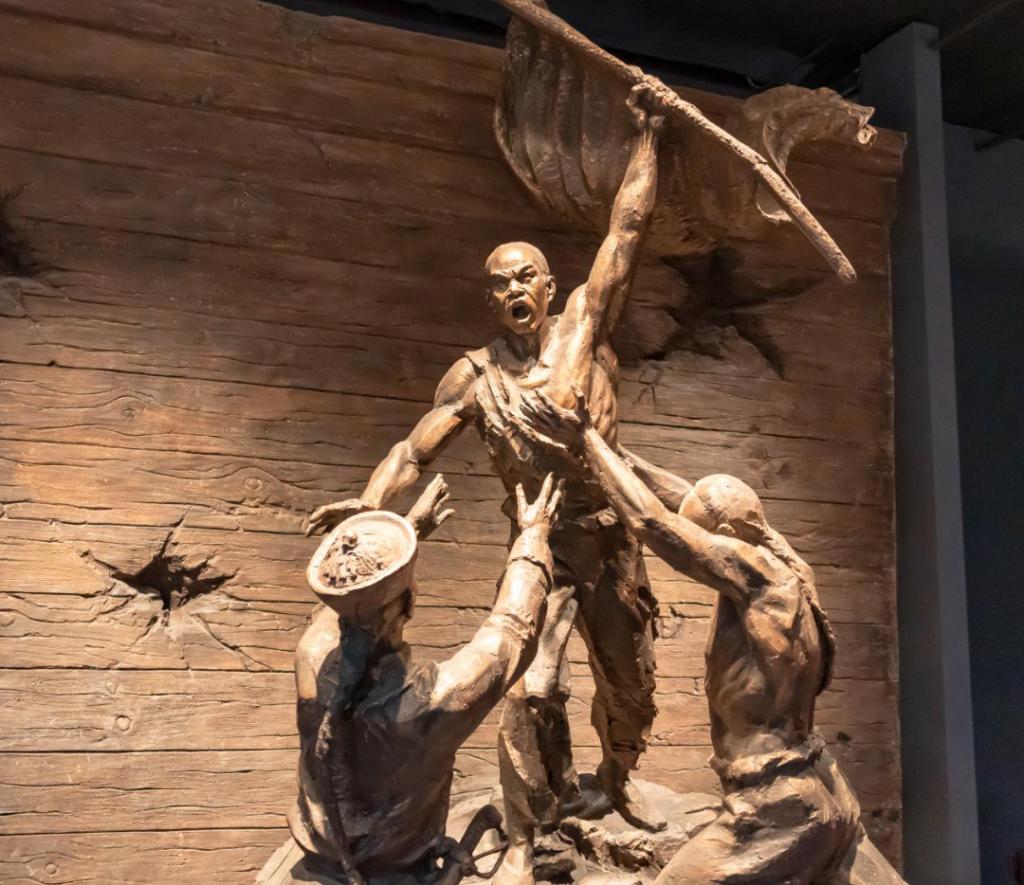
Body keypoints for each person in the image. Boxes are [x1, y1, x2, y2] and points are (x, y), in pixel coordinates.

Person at [307, 80, 669, 882]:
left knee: (632, 685)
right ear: (490, 298)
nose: (512, 291)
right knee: (532, 688)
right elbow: (412, 453)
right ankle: (539, 827)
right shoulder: (473, 377)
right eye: (499, 283)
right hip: (539, 551)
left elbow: (627, 230)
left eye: (524, 278)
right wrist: (369, 508)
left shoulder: (583, 329)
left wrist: (650, 137)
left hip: (611, 543)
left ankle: (617, 776)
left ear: (548, 287)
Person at [512, 388, 907, 884]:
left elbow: (653, 522)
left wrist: (588, 441)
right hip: (825, 788)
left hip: (775, 805)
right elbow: (688, 504)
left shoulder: (755, 576)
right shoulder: (788, 563)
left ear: (724, 536)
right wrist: (610, 450)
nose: (704, 540)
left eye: (707, 534)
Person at [258, 474, 563, 885]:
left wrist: (411, 531)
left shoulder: (311, 655)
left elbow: (345, 605)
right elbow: (511, 632)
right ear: (410, 603)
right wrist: (533, 537)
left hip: (319, 868)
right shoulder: (432, 701)